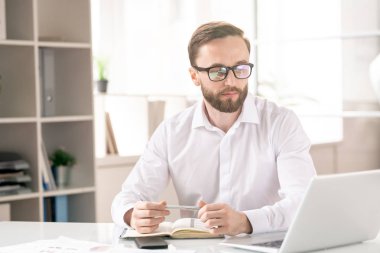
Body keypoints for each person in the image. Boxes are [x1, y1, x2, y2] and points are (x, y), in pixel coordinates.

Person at [111, 21, 316, 236]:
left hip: (265, 246)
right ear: (194, 76)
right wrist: (132, 214)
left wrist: (246, 222)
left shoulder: (281, 122)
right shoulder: (172, 132)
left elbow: (303, 201)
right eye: (217, 71)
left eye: (240, 68)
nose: (231, 81)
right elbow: (127, 197)